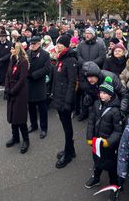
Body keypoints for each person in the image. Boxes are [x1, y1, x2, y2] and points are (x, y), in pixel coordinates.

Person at [85, 77, 124, 200]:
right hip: (96, 142)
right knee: (97, 161)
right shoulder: (96, 104)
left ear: (111, 95)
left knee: (111, 167)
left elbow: (118, 131)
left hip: (108, 145)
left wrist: (108, 142)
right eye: (101, 92)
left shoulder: (115, 111)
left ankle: (114, 187)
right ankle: (96, 178)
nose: (102, 95)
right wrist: (89, 137)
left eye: (105, 93)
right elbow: (91, 122)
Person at [52, 34, 78, 169]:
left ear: (66, 46)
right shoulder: (60, 59)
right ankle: (70, 150)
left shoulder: (70, 60)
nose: (58, 46)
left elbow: (72, 83)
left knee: (68, 128)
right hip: (59, 98)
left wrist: (68, 103)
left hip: (65, 101)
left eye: (60, 44)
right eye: (57, 44)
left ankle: (68, 154)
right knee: (65, 126)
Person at [4, 42, 30, 154]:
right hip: (11, 90)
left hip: (20, 92)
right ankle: (15, 137)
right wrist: (7, 89)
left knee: (19, 117)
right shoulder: (12, 59)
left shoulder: (23, 62)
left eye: (12, 48)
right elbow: (7, 75)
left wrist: (13, 90)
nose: (11, 50)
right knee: (12, 116)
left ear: (17, 49)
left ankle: (26, 140)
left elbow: (22, 79)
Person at [27, 36, 51, 139]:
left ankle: (44, 128)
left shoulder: (45, 54)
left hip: (39, 84)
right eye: (31, 44)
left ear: (39, 44)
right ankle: (33, 125)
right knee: (31, 107)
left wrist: (34, 75)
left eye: (34, 44)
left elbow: (47, 69)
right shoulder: (27, 53)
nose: (32, 46)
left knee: (42, 108)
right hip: (29, 84)